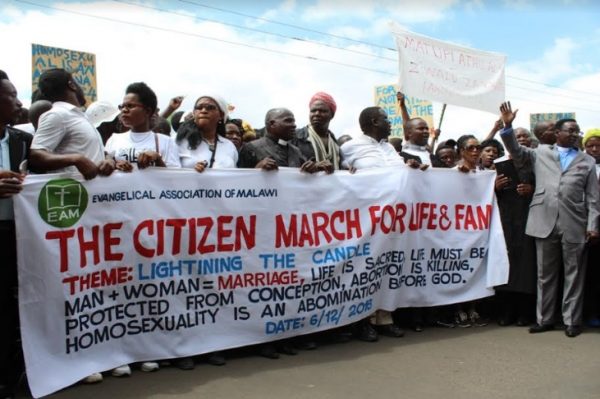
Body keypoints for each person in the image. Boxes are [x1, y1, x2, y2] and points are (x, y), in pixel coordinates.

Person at [499, 102, 600, 338]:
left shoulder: (586, 161)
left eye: (577, 131)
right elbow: (515, 150)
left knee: (574, 275)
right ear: (558, 134)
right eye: (570, 131)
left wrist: (593, 226)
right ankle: (544, 319)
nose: (575, 135)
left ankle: (572, 321)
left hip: (575, 222)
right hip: (544, 221)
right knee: (545, 275)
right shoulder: (541, 152)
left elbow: (594, 199)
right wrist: (507, 125)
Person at [340, 106, 422, 340]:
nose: (390, 123)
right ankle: (362, 321)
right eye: (386, 119)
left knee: (388, 268)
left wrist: (412, 169)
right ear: (374, 121)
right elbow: (341, 174)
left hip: (393, 221)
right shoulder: (350, 147)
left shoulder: (389, 148)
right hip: (366, 221)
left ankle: (384, 318)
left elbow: (398, 174)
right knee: (366, 270)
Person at [0, 70, 32, 399]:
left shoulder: (23, 140)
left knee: (14, 306)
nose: (18, 101)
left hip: (18, 236)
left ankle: (13, 377)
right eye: (11, 95)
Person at [28, 68, 115, 181]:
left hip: (95, 193)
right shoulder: (57, 115)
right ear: (72, 85)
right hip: (74, 195)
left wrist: (108, 160)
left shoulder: (79, 115)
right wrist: (76, 159)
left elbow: (92, 150)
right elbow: (36, 156)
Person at [494, 127, 537, 326]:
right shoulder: (498, 164)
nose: (520, 139)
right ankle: (506, 312)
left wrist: (532, 189)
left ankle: (525, 313)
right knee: (506, 265)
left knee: (527, 267)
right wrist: (495, 187)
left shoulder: (537, 161)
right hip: (506, 220)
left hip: (530, 217)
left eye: (524, 136)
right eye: (516, 137)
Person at [105, 82, 180, 172]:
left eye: (130, 106)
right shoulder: (114, 140)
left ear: (147, 111)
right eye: (122, 106)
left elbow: (174, 180)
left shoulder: (167, 142)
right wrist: (114, 165)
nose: (124, 110)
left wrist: (157, 159)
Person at [176, 95, 238, 172]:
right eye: (199, 108)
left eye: (210, 107)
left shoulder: (229, 146)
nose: (204, 111)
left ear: (221, 115)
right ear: (194, 113)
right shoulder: (178, 141)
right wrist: (190, 172)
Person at [292, 92, 341, 169]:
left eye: (322, 111)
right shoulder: (296, 137)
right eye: (313, 111)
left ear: (332, 115)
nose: (317, 114)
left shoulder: (335, 143)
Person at [582, 128, 600, 327]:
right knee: (590, 274)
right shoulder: (582, 167)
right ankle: (590, 313)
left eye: (598, 145)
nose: (595, 149)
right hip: (586, 226)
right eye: (590, 146)